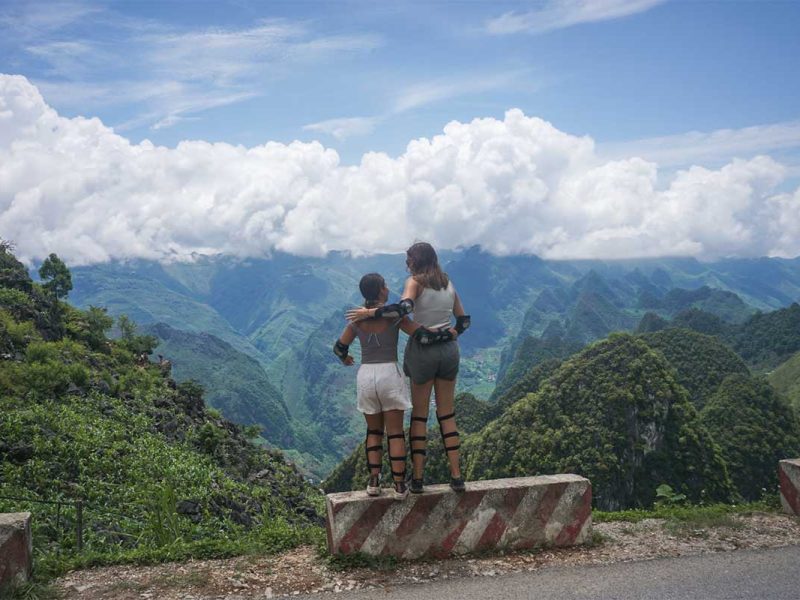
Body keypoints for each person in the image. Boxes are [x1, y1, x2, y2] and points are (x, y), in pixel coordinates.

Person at [347, 243, 470, 494]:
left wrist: (370, 312)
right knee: (447, 415)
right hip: (449, 352)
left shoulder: (414, 282)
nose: (407, 263)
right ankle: (457, 476)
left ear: (418, 260)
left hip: (423, 352)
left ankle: (417, 479)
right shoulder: (448, 283)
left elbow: (404, 309)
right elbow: (464, 320)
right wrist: (452, 333)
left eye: (409, 258)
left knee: (420, 416)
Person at [334, 272, 455, 499]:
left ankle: (373, 482)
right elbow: (421, 335)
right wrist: (446, 334)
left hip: (366, 375)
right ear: (381, 290)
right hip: (389, 373)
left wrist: (346, 359)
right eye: (385, 285)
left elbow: (339, 347)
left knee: (373, 431)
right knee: (395, 433)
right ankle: (399, 485)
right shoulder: (393, 317)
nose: (388, 287)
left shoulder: (356, 320)